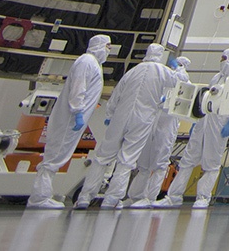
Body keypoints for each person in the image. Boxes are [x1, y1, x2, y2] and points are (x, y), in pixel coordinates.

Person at [75, 43, 174, 209]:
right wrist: (176, 67)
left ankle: (85, 197)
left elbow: (116, 94)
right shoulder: (163, 71)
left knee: (103, 157)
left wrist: (109, 115)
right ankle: (111, 200)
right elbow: (181, 82)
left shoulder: (133, 71)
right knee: (127, 159)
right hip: (142, 120)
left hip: (120, 117)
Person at [27, 34, 110, 209]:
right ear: (98, 46)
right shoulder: (87, 61)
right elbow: (78, 89)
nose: (108, 51)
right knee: (55, 155)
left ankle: (43, 195)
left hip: (74, 118)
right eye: (107, 47)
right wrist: (78, 111)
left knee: (59, 154)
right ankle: (39, 197)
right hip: (70, 117)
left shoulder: (94, 64)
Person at [157, 48, 229, 208]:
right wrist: (196, 122)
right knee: (188, 158)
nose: (222, 61)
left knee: (211, 162)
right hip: (204, 121)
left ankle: (203, 197)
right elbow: (205, 99)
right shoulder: (216, 78)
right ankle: (173, 196)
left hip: (219, 124)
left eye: (225, 58)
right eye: (221, 58)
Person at [124, 56, 191, 207]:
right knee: (144, 162)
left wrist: (179, 70)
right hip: (154, 120)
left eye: (179, 65)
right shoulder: (165, 77)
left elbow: (183, 84)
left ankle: (150, 198)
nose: (174, 67)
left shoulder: (183, 79)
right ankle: (135, 196)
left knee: (160, 162)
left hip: (168, 124)